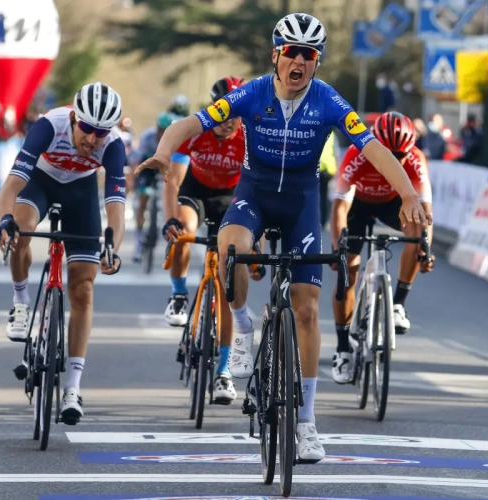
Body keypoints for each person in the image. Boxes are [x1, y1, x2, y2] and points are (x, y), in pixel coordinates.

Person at [135, 13, 430, 462]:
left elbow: (372, 147)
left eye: (309, 55)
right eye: (291, 52)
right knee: (229, 247)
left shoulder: (327, 101)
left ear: (317, 62)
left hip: (300, 205)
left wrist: (408, 192)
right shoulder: (252, 93)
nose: (299, 61)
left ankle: (307, 423)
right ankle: (242, 327)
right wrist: (160, 154)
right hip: (253, 196)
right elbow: (188, 124)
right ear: (276, 55)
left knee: (307, 310)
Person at [0, 82, 126, 425]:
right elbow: (12, 185)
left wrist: (113, 243)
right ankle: (21, 301)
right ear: (73, 118)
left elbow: (115, 206)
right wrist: (5, 220)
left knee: (83, 287)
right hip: (41, 183)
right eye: (88, 130)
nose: (93, 140)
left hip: (80, 194)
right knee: (21, 228)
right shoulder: (48, 126)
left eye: (102, 132)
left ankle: (72, 386)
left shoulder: (112, 146)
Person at [161, 76, 259, 405]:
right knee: (184, 233)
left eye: (235, 116)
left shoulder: (249, 137)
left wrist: (254, 236)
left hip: (231, 198)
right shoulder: (197, 129)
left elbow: (257, 188)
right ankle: (178, 295)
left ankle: (223, 372)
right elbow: (173, 181)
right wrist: (171, 220)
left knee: (227, 280)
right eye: (222, 114)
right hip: (196, 192)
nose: (228, 122)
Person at [329, 111, 434, 384]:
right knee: (347, 271)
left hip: (392, 203)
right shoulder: (357, 154)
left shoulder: (416, 160)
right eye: (390, 154)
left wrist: (426, 248)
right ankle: (342, 348)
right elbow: (339, 208)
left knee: (416, 232)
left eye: (402, 155)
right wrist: (338, 249)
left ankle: (397, 304)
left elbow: (425, 213)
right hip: (359, 205)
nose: (396, 161)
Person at [128, 112, 179, 262]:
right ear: (157, 128)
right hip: (148, 168)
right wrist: (134, 178)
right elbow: (136, 160)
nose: (164, 134)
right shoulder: (147, 137)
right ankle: (138, 241)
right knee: (143, 200)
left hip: (166, 167)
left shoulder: (177, 139)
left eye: (168, 131)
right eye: (162, 130)